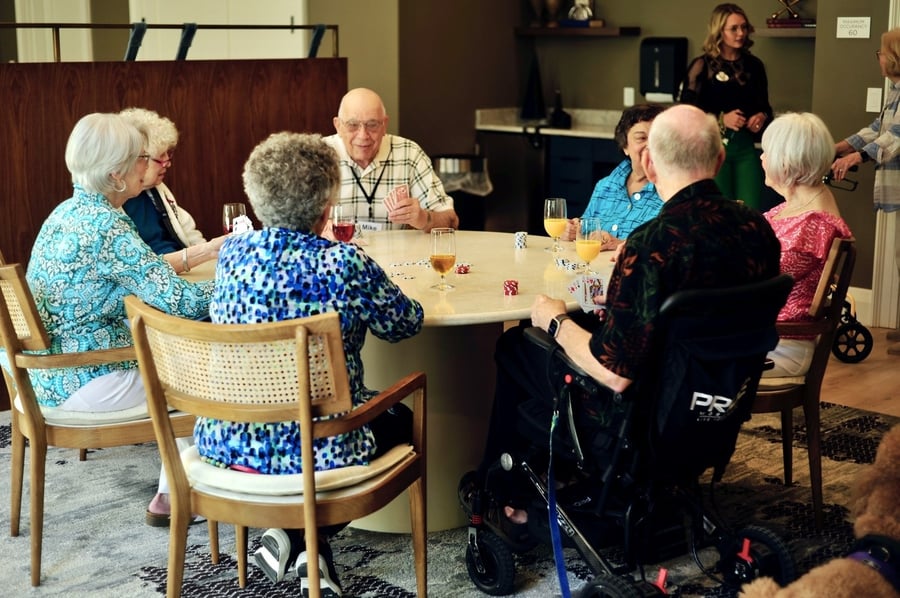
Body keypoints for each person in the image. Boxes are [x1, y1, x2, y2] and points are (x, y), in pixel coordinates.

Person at [461, 104, 781, 535]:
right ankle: (555, 475)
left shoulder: (651, 245)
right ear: (720, 160)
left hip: (639, 420)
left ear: (649, 161)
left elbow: (614, 374)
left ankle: (506, 494)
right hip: (715, 407)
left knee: (519, 346)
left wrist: (555, 321)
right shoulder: (757, 230)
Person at [195, 132, 424, 595]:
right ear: (326, 205)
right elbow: (403, 325)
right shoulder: (343, 262)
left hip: (230, 439)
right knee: (402, 418)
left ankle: (292, 539)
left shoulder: (232, 255)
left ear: (257, 204)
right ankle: (305, 540)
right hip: (323, 447)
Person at [23, 112, 214, 524]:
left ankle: (173, 493)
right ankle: (191, 492)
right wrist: (239, 280)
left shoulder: (66, 213)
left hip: (39, 376)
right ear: (116, 174)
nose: (148, 167)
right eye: (141, 158)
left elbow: (142, 282)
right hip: (81, 378)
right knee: (204, 381)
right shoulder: (107, 225)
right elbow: (181, 302)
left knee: (178, 361)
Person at [760, 113, 852, 378]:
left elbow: (755, 281)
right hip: (760, 334)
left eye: (767, 152)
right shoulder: (793, 210)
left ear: (787, 162)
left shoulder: (813, 226)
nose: (762, 158)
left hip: (778, 345)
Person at [832, 28, 900, 355]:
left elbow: (895, 138)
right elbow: (877, 129)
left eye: (882, 52)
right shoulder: (895, 92)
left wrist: (856, 156)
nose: (879, 58)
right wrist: (841, 146)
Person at [323, 87, 459, 233]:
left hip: (397, 255)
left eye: (372, 125)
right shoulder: (319, 156)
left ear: (384, 125)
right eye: (353, 125)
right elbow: (295, 224)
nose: (363, 135)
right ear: (338, 126)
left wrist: (423, 218)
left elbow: (451, 220)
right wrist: (319, 228)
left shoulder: (409, 153)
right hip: (336, 254)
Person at [679, 3, 773, 210]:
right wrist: (721, 119)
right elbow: (686, 113)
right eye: (734, 28)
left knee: (750, 211)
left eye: (744, 27)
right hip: (712, 149)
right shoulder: (701, 66)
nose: (741, 33)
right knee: (718, 212)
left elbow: (765, 106)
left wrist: (761, 116)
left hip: (746, 149)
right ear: (719, 30)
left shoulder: (754, 66)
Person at [119, 107, 226, 274]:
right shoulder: (115, 202)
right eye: (160, 158)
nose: (167, 163)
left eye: (168, 155)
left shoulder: (158, 190)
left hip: (186, 270)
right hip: (156, 276)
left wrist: (211, 259)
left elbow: (189, 232)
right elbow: (136, 268)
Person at [561, 103, 666, 249]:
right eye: (641, 138)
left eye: (656, 138)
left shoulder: (672, 193)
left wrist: (621, 244)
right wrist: (572, 231)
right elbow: (585, 230)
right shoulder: (605, 186)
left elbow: (672, 250)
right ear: (625, 146)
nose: (650, 145)